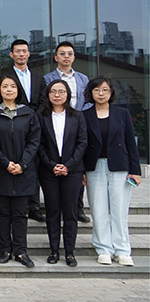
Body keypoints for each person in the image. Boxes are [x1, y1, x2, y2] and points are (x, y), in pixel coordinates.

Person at [82, 77, 142, 266]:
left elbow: (130, 142)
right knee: (98, 210)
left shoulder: (122, 113)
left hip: (120, 167)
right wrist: (81, 170)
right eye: (97, 90)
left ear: (111, 92)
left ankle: (122, 250)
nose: (101, 94)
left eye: (105, 90)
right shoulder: (84, 115)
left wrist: (135, 170)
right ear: (91, 93)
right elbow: (82, 145)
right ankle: (103, 249)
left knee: (119, 211)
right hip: (94, 167)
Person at [0, 75, 41, 268]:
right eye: (5, 86)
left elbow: (34, 142)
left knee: (20, 213)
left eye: (12, 86)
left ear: (18, 90)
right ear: (0, 90)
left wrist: (22, 164)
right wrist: (6, 163)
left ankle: (20, 251)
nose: (9, 90)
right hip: (2, 170)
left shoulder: (28, 113)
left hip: (24, 171)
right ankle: (5, 250)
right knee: (2, 213)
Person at [37, 79, 88, 267]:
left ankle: (69, 252)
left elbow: (82, 143)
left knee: (70, 212)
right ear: (48, 95)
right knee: (52, 211)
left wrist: (68, 165)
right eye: (53, 91)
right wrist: (52, 165)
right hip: (48, 171)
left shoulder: (77, 116)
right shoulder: (41, 116)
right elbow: (39, 144)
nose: (57, 95)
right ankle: (53, 251)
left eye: (61, 91)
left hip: (72, 171)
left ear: (67, 94)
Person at [44, 41, 91, 223]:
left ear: (74, 57)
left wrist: (78, 117)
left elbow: (88, 101)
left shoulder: (83, 79)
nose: (66, 57)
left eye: (69, 53)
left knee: (77, 167)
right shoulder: (47, 78)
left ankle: (78, 207)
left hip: (76, 124)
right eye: (62, 53)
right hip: (55, 122)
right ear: (56, 57)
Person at [5, 38, 47, 222]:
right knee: (16, 163)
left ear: (29, 54)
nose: (21, 54)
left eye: (24, 51)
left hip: (35, 125)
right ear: (11, 54)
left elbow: (44, 101)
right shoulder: (6, 77)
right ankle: (15, 204)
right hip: (14, 126)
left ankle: (34, 207)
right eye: (17, 51)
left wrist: (32, 117)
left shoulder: (38, 78)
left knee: (33, 166)